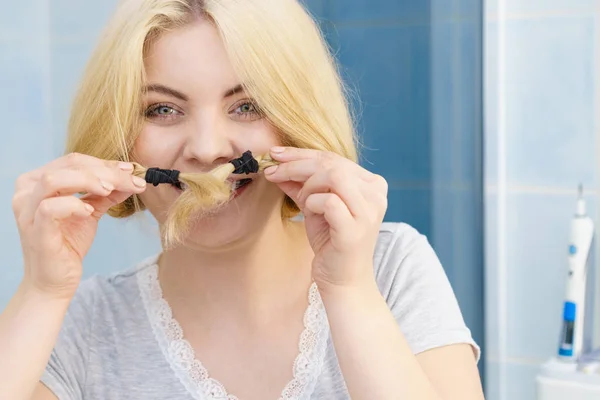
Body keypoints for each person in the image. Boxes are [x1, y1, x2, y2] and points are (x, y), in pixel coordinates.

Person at [0, 0, 485, 399]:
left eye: (246, 105)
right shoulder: (80, 324)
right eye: (163, 109)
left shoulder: (391, 270)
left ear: (296, 121)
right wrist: (41, 293)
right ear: (120, 140)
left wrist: (349, 289)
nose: (208, 149)